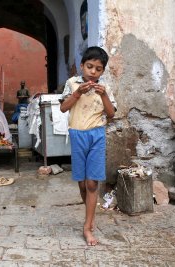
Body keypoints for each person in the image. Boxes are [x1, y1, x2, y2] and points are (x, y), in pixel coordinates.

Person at [60, 46, 117, 246]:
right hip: (77, 134)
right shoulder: (72, 83)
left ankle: (88, 226)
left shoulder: (105, 89)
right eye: (90, 67)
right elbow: (63, 107)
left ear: (102, 71)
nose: (93, 72)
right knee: (83, 184)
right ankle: (90, 215)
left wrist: (103, 95)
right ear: (82, 66)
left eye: (98, 69)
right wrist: (77, 94)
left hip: (97, 134)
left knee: (92, 183)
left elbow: (111, 114)